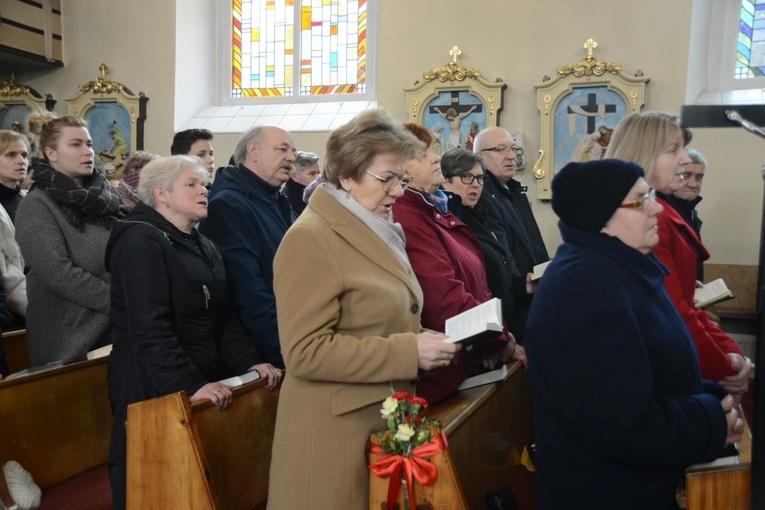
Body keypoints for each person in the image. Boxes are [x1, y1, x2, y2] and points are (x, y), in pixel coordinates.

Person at [267, 109, 460, 509]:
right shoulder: (311, 239)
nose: (399, 191)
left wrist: (422, 338)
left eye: (402, 179)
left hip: (376, 421)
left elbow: (379, 316)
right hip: (332, 436)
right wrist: (410, 352)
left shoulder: (374, 227)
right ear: (347, 175)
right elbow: (305, 353)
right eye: (387, 178)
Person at [526, 158, 743, 510]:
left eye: (651, 195)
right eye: (641, 200)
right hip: (608, 493)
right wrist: (710, 419)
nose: (657, 208)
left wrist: (713, 398)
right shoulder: (588, 294)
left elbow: (649, 374)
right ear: (604, 220)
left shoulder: (619, 272)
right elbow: (622, 426)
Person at [105, 155, 283, 510]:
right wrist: (189, 384)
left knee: (199, 484)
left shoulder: (205, 245)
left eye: (205, 184)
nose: (205, 190)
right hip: (151, 381)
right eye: (192, 184)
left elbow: (225, 319)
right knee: (156, 482)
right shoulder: (140, 240)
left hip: (202, 375)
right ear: (162, 194)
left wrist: (253, 362)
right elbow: (148, 327)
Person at [606, 112, 754, 404]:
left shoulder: (659, 208)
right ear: (645, 153)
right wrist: (726, 368)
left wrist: (730, 352)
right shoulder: (642, 218)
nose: (685, 159)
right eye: (674, 150)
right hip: (651, 371)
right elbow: (672, 313)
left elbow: (685, 303)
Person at [392, 123, 522, 404]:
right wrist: (499, 339)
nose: (436, 158)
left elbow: (478, 284)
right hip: (442, 371)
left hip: (467, 358)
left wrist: (491, 338)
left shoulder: (433, 209)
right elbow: (442, 297)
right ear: (399, 166)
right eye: (423, 153)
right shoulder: (409, 216)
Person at [16, 114, 127, 366]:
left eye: (88, 144)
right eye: (75, 144)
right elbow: (57, 273)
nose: (87, 151)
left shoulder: (108, 196)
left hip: (119, 329)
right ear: (51, 153)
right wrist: (123, 301)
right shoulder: (37, 204)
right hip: (71, 338)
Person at [199, 125, 297, 368]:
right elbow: (247, 290)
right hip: (269, 350)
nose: (292, 158)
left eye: (293, 151)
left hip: (295, 334)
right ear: (253, 151)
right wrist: (285, 346)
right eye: (282, 149)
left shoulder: (276, 198)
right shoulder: (228, 205)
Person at [474, 127, 549, 341]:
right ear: (480, 156)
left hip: (533, 300)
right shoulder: (483, 196)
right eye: (500, 149)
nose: (511, 156)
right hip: (514, 310)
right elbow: (499, 260)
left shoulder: (512, 191)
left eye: (513, 149)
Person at [441, 147, 524, 339]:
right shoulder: (450, 221)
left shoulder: (483, 214)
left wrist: (522, 284)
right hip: (474, 330)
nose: (475, 185)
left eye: (480, 178)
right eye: (467, 177)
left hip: (502, 321)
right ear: (445, 180)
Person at [0, 130, 30, 319]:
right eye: (11, 154)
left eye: (24, 155)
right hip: (19, 311)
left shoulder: (28, 200)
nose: (21, 161)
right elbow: (8, 277)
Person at [665, 147, 706, 280]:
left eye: (699, 177)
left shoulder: (692, 213)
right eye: (685, 175)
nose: (693, 184)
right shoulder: (661, 212)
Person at [283, 150, 319, 215]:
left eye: (318, 173)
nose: (317, 177)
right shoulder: (287, 202)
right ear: (295, 176)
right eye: (312, 174)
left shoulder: (316, 195)